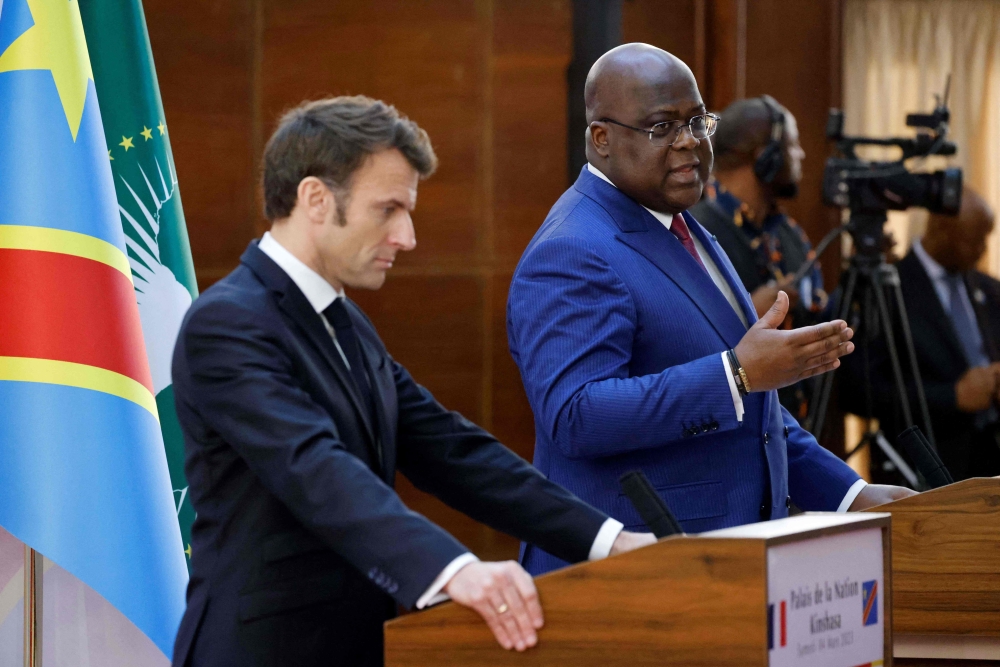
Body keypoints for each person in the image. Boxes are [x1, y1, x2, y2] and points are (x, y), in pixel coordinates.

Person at [169, 96, 653, 667]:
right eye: (388, 209)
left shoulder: (347, 322)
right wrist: (456, 571)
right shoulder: (226, 324)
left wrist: (607, 540)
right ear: (316, 200)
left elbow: (453, 451)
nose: (408, 237)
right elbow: (316, 469)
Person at [506, 43, 915, 576]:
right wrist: (738, 375)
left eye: (698, 122)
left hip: (721, 559)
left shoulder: (683, 224)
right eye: (662, 127)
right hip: (630, 573)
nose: (689, 144)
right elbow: (576, 415)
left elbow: (752, 416)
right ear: (601, 139)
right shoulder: (573, 249)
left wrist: (850, 494)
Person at [844, 188, 1000, 481]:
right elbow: (859, 392)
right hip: (925, 468)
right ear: (941, 230)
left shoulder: (989, 290)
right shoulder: (888, 289)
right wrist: (951, 397)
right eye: (974, 239)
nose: (983, 249)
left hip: (990, 459)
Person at [689, 96, 825, 417]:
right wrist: (747, 314)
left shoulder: (789, 234)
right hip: (726, 436)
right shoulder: (692, 231)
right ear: (767, 158)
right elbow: (678, 345)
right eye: (793, 146)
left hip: (795, 433)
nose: (802, 155)